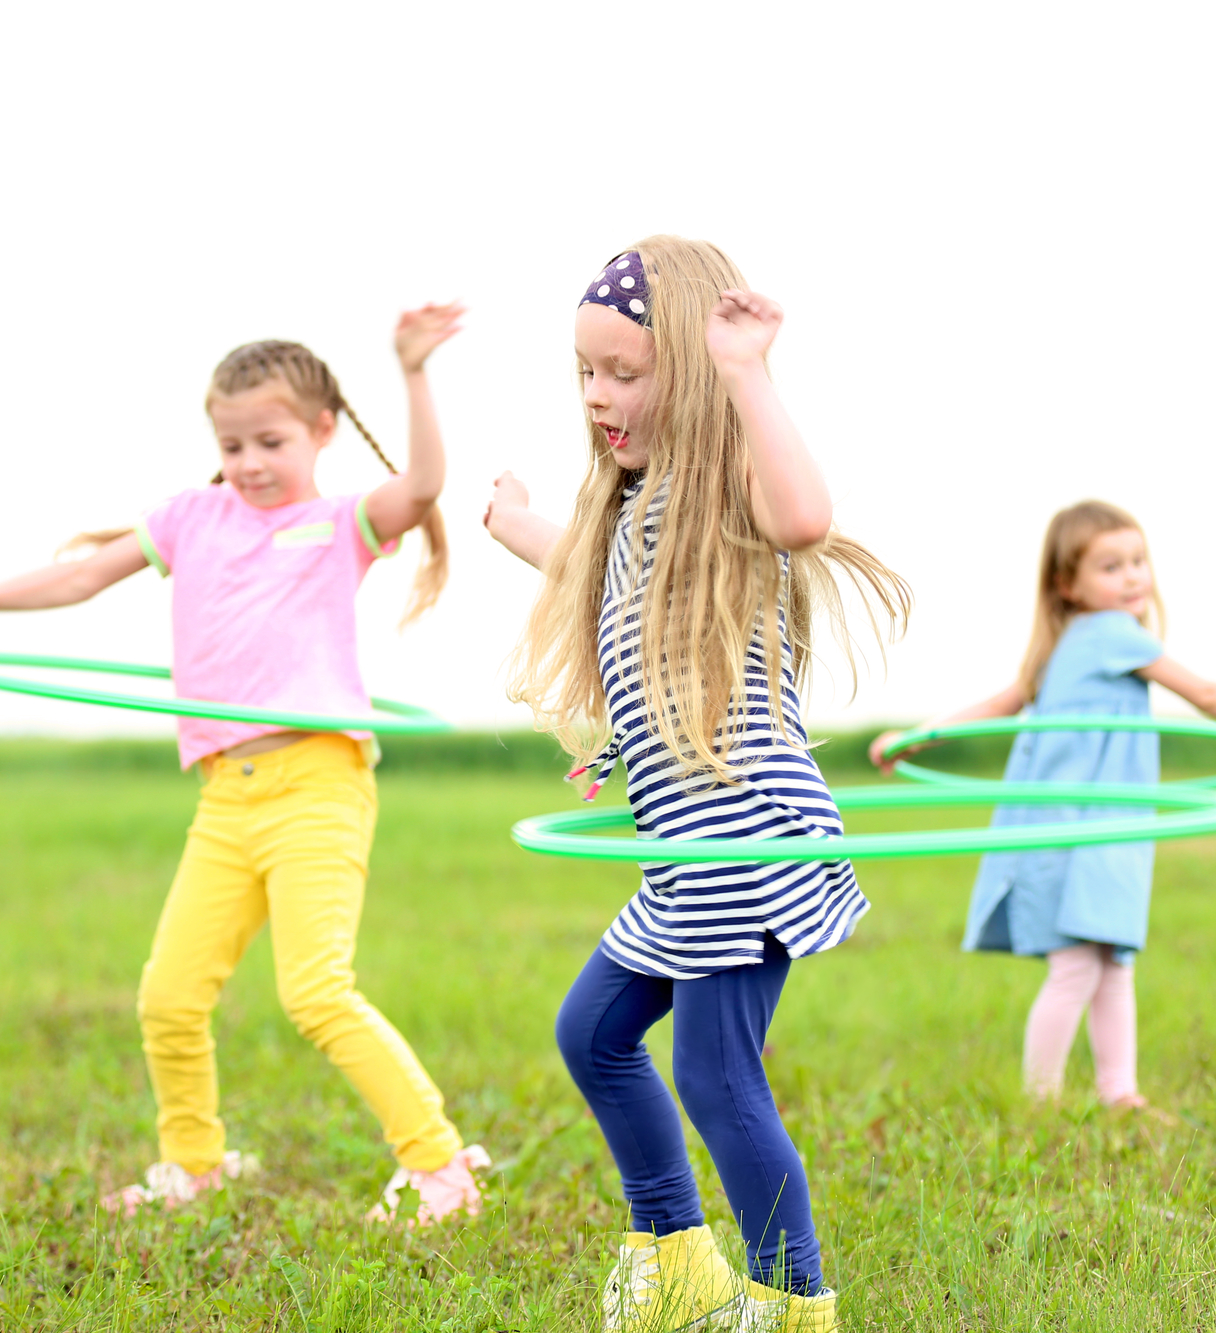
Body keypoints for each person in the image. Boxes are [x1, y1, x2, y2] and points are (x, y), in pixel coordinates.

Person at [0, 310, 489, 1224]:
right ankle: (195, 1162)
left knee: (315, 992)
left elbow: (421, 486)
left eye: (271, 440)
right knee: (169, 994)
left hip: (317, 783)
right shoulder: (193, 518)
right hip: (226, 795)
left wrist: (412, 371)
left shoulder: (338, 525)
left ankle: (440, 1167)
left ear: (320, 431)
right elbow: (81, 578)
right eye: (233, 443)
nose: (251, 461)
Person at [485, 237, 909, 1333]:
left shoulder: (718, 495)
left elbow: (805, 518)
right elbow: (588, 566)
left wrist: (745, 372)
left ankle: (792, 1301)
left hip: (746, 841)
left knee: (719, 1081)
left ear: (687, 368)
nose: (597, 395)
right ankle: (675, 1255)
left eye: (624, 371)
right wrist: (510, 521)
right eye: (586, 371)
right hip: (684, 852)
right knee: (592, 1033)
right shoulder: (636, 510)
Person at [870, 500, 1216, 1110]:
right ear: (1066, 584)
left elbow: (999, 704)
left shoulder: (1064, 645)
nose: (1131, 577)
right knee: (1080, 965)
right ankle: (1041, 1101)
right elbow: (1203, 692)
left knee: (1108, 962)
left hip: (1077, 826)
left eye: (1137, 561)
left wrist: (921, 735)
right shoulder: (1112, 635)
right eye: (1110, 566)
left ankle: (1119, 1094)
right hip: (1087, 828)